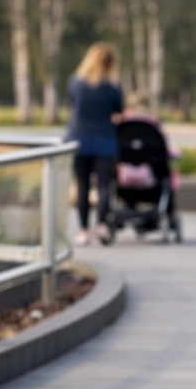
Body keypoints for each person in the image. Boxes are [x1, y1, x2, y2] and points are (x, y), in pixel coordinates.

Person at [66, 42, 124, 245]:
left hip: (79, 139)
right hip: (105, 140)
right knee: (104, 187)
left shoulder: (76, 82)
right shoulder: (112, 87)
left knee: (82, 186)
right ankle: (101, 226)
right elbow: (118, 112)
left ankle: (83, 232)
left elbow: (71, 105)